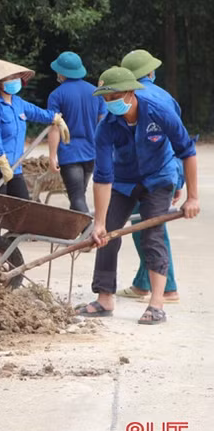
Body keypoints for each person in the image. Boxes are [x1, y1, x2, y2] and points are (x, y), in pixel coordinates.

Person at [80, 67, 199, 325]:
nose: (111, 103)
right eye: (106, 99)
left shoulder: (159, 112)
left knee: (152, 233)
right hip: (124, 181)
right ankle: (104, 298)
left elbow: (187, 151)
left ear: (131, 93)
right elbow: (102, 178)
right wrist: (99, 222)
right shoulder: (106, 128)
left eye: (115, 97)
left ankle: (157, 303)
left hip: (159, 177)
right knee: (107, 233)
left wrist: (192, 196)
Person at [117, 49, 185, 303]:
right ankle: (143, 283)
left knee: (150, 228)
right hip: (164, 172)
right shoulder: (166, 96)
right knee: (145, 227)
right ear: (151, 72)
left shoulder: (127, 98)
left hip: (136, 175)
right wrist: (179, 179)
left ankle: (168, 288)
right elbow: (178, 141)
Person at [0, 60, 70, 234]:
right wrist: (2, 162)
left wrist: (56, 118)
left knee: (22, 207)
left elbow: (38, 113)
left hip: (15, 167)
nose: (14, 81)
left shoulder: (19, 103)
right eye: (9, 78)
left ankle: (8, 246)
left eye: (16, 77)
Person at [46, 51, 107, 212]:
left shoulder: (56, 95)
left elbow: (54, 127)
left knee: (77, 197)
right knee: (80, 194)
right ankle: (80, 233)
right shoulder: (96, 92)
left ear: (61, 72)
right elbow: (103, 123)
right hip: (91, 153)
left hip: (70, 154)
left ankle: (91, 232)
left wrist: (52, 156)